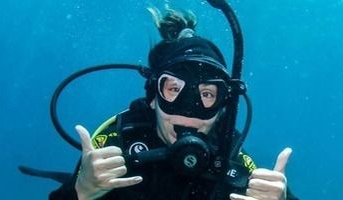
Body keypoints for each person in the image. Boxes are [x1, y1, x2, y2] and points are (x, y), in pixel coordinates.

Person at [47, 8, 297, 200]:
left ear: (223, 106)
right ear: (153, 98)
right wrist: (81, 191)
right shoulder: (119, 140)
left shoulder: (229, 155)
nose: (189, 111)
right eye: (174, 89)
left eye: (207, 94)